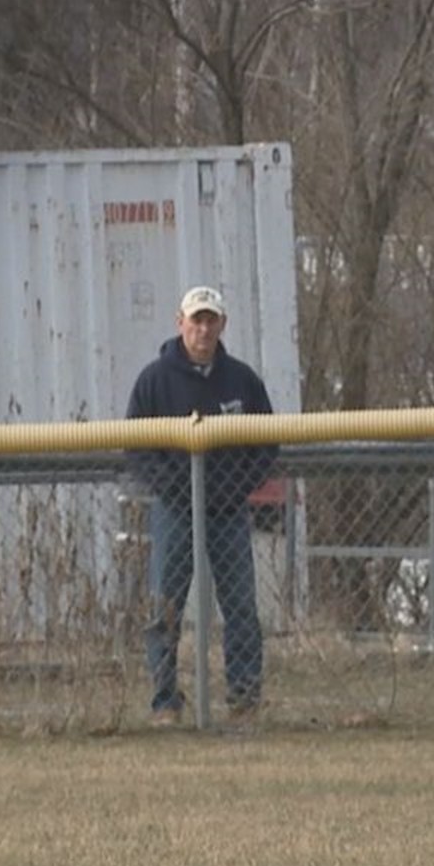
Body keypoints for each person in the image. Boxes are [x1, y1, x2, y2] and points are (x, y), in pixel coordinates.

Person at [126, 286, 277, 727]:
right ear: (180, 323)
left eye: (211, 320)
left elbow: (267, 443)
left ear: (222, 325)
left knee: (241, 607)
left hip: (228, 511)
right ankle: (165, 702)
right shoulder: (154, 380)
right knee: (163, 609)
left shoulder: (243, 380)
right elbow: (136, 448)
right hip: (174, 510)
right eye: (196, 320)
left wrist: (238, 486)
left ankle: (244, 700)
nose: (203, 328)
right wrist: (174, 486)